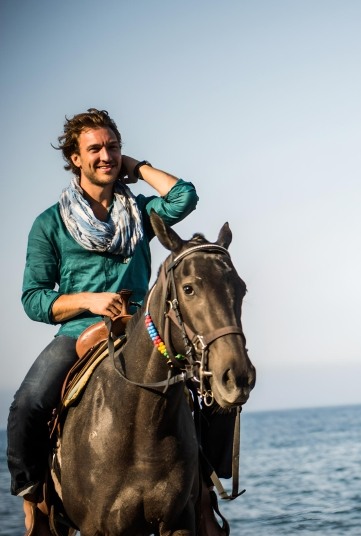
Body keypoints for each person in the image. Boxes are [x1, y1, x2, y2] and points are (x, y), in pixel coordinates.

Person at [7, 108, 199, 532]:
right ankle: (35, 499)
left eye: (113, 147)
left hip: (145, 331)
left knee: (209, 397)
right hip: (79, 334)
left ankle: (202, 500)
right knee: (27, 405)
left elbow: (184, 197)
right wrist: (89, 301)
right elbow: (34, 299)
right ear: (75, 157)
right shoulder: (50, 224)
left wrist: (138, 167)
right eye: (94, 148)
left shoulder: (141, 212)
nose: (105, 155)